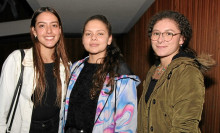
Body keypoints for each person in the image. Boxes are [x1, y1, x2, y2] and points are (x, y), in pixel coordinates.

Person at [137, 10, 215, 133]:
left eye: (169, 34)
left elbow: (185, 128)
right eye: (156, 33)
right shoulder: (153, 70)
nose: (160, 39)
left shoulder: (187, 72)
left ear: (181, 39)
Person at [61, 15, 140, 133]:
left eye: (100, 34)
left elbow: (126, 123)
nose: (93, 38)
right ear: (83, 39)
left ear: (109, 39)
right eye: (88, 34)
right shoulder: (75, 68)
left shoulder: (121, 74)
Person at [0, 7, 70, 133]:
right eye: (42, 25)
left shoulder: (65, 66)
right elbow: (1, 108)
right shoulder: (17, 60)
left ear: (59, 30)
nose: (49, 31)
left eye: (54, 25)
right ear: (34, 31)